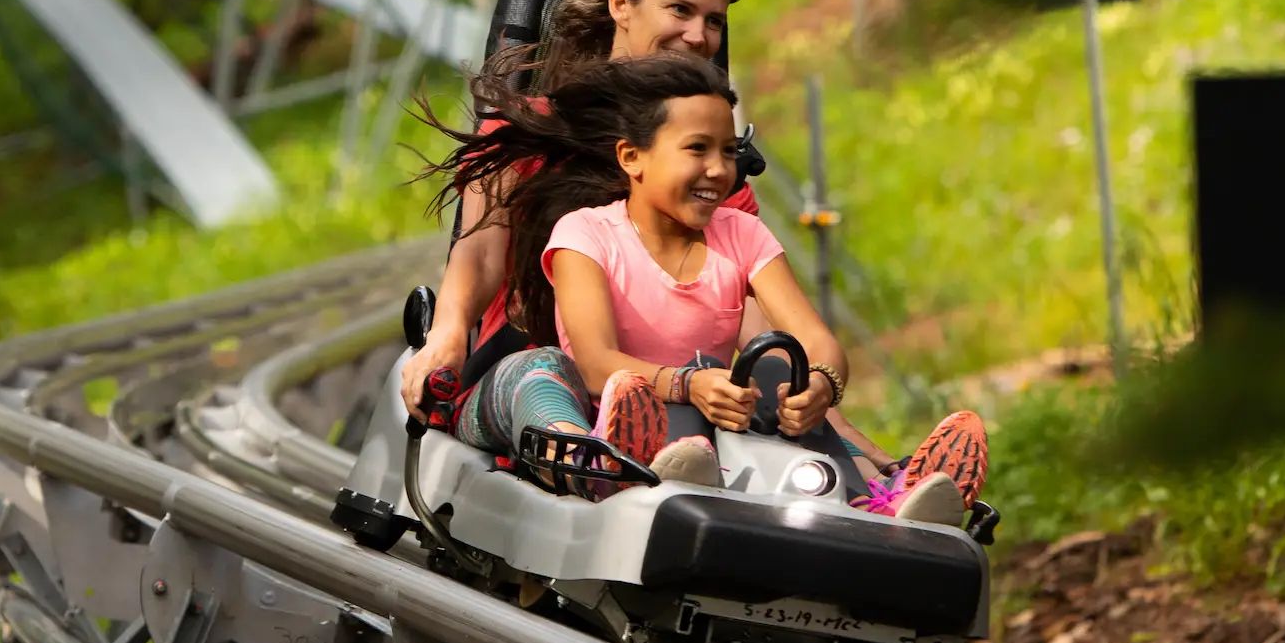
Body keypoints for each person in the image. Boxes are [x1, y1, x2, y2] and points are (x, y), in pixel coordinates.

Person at [421, 53, 989, 524]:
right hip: (607, 409)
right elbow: (594, 361)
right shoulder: (586, 233)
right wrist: (687, 384)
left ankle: (877, 502)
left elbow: (816, 338)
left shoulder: (740, 234)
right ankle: (611, 469)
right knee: (545, 369)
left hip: (700, 428)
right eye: (697, 149)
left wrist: (822, 384)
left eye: (726, 151)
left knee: (775, 369)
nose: (719, 170)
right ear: (632, 157)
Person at [398, 0, 756, 418]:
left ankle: (879, 487)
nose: (698, 36)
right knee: (545, 376)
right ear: (621, 6)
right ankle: (588, 455)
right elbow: (480, 254)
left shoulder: (714, 169)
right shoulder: (528, 127)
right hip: (539, 375)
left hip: (677, 391)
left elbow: (758, 309)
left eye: (714, 21)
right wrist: (448, 334)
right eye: (681, 10)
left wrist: (816, 408)